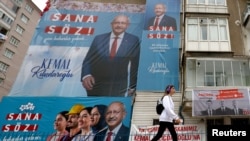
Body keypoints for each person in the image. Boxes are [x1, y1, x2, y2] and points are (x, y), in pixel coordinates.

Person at [81, 14, 141, 97]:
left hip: (118, 86)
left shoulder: (133, 40)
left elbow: (135, 65)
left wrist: (132, 86)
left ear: (127, 25)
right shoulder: (99, 38)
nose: (119, 25)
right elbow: (88, 59)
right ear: (111, 24)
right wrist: (86, 75)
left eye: (122, 23)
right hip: (96, 85)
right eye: (116, 22)